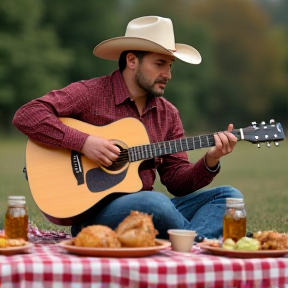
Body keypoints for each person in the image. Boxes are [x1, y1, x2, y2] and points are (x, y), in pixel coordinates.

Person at [12, 15, 242, 240]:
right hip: (95, 214)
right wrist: (84, 143)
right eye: (160, 64)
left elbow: (177, 182)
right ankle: (197, 242)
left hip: (148, 210)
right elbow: (28, 115)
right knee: (155, 203)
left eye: (170, 65)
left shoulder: (168, 114)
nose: (168, 75)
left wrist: (211, 160)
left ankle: (190, 241)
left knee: (229, 197)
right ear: (132, 61)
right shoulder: (92, 93)